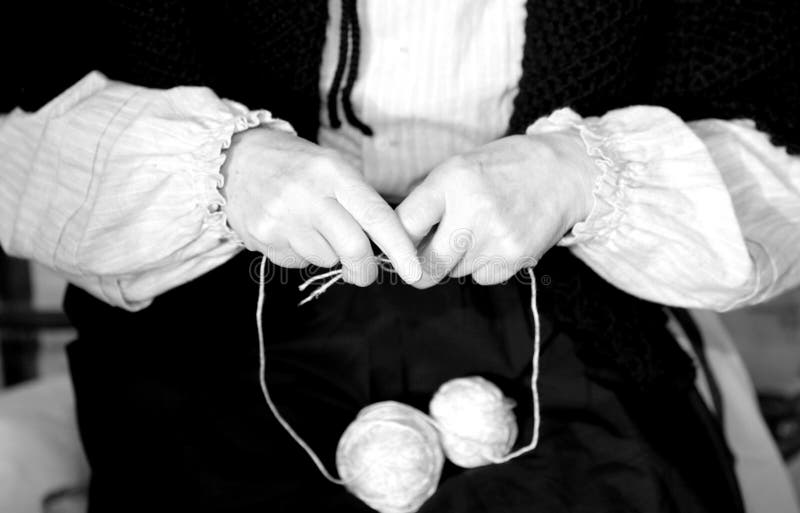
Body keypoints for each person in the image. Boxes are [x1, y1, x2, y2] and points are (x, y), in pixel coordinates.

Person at [1, 1, 799, 512]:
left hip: (572, 317)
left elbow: (782, 144)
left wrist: (579, 177)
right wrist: (222, 170)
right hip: (211, 331)